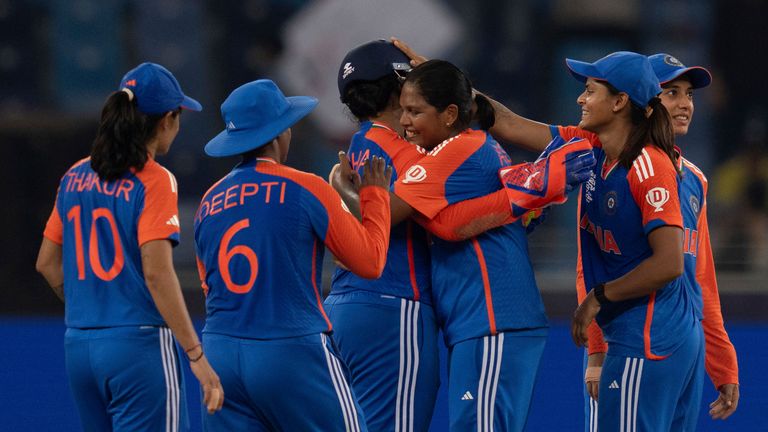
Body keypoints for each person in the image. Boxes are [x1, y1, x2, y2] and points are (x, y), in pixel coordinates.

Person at [193, 79, 393, 431]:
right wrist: (375, 195)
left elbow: (209, 286)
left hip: (219, 354)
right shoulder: (306, 187)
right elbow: (370, 261)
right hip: (289, 348)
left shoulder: (207, 202)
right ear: (279, 133)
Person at [35, 62, 223, 432]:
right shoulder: (155, 181)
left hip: (80, 346)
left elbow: (46, 263)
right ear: (167, 119)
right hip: (137, 350)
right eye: (179, 116)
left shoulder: (75, 175)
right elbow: (156, 272)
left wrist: (95, 311)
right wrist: (195, 354)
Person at [578, 53, 740, 426]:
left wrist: (723, 363)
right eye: (671, 93)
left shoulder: (695, 179)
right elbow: (588, 265)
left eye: (689, 95)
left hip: (680, 345)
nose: (684, 104)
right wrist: (597, 352)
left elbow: (699, 277)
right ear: (644, 102)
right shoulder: (608, 168)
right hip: (629, 341)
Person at [326, 40, 440, 432]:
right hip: (394, 304)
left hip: (342, 305)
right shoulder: (407, 152)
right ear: (398, 90)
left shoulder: (358, 146)